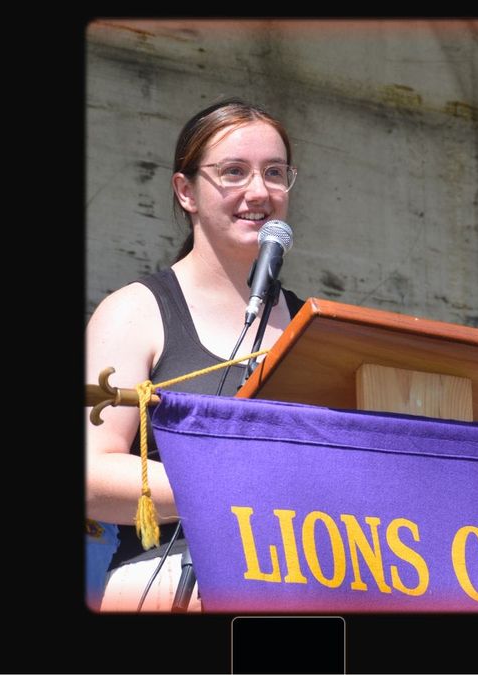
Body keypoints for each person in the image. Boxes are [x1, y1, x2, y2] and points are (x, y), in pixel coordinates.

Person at [85, 98, 304, 611]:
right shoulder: (134, 312)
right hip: (171, 583)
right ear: (186, 191)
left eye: (274, 172)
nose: (259, 191)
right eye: (233, 172)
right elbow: (91, 473)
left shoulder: (311, 324)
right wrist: (232, 489)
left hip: (299, 586)